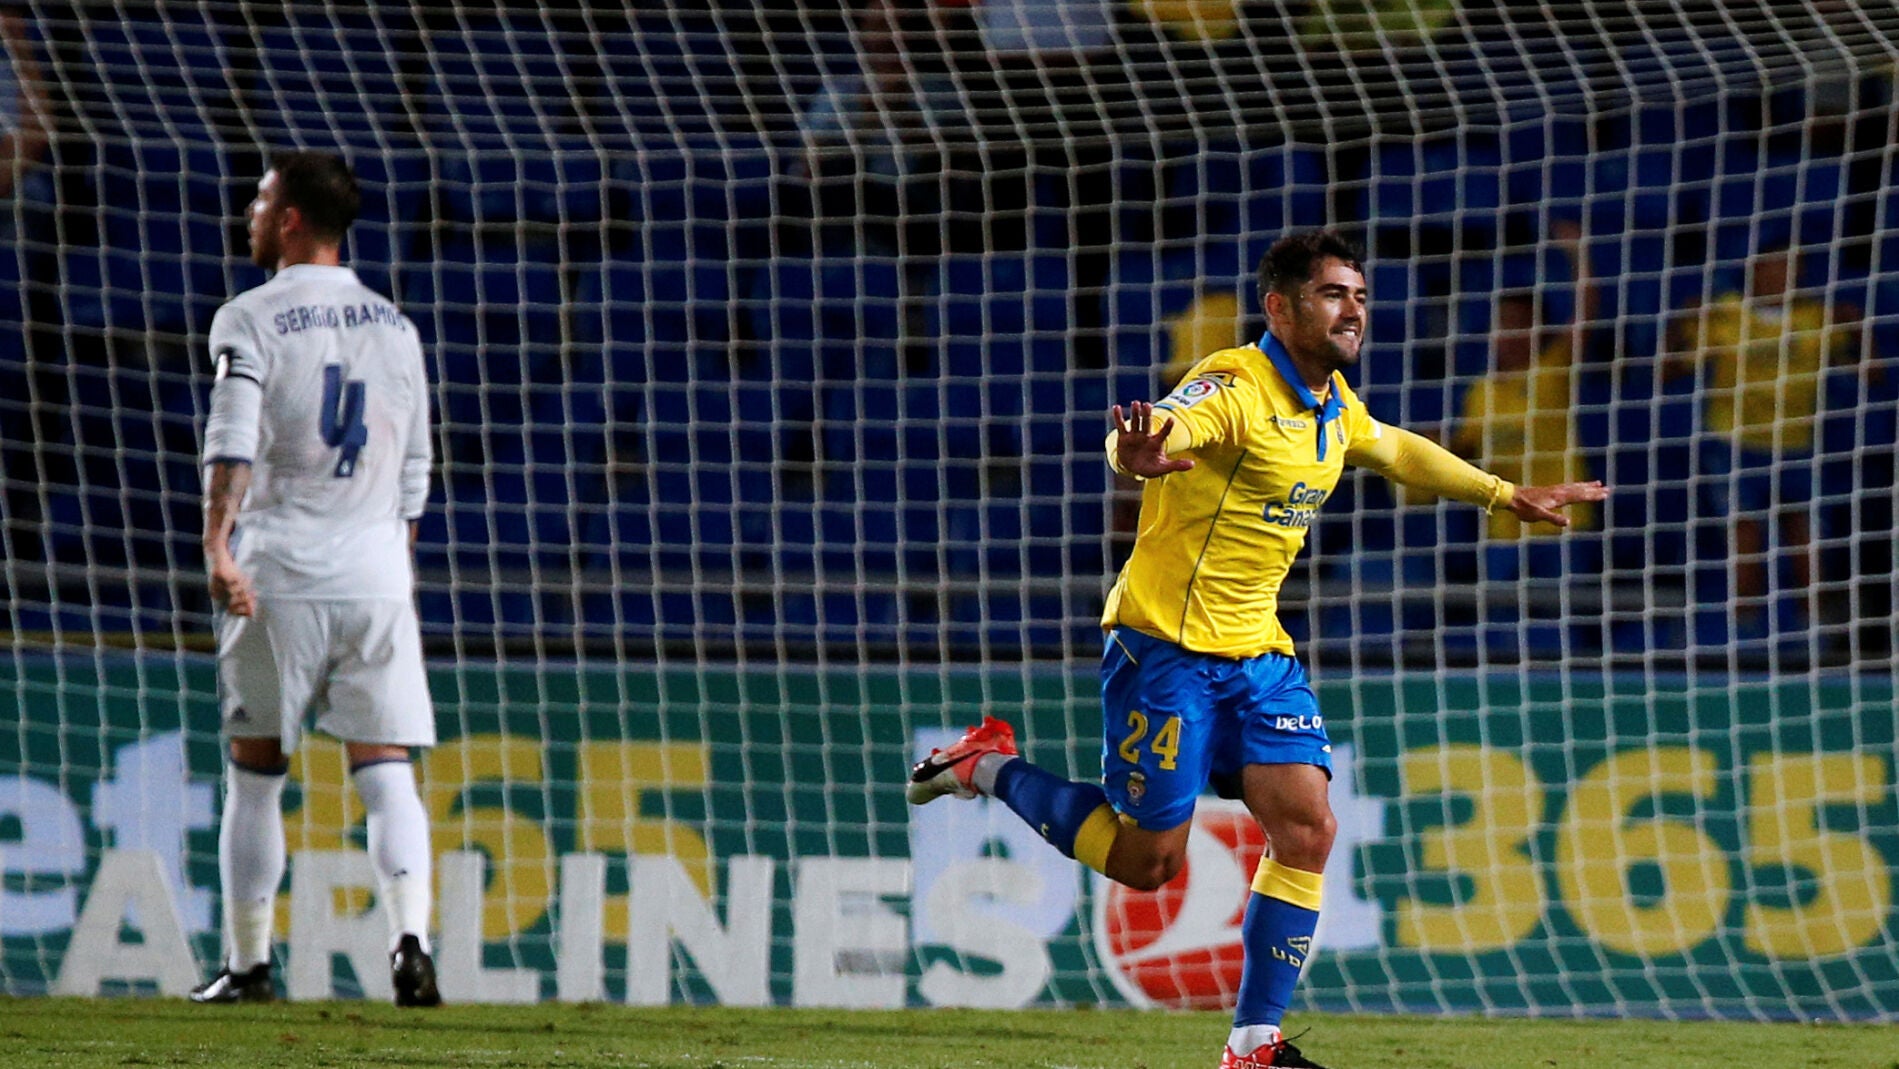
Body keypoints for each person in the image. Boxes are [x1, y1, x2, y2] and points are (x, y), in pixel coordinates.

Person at [910, 229, 1605, 1068]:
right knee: (1147, 861)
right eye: (1331, 294)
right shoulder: (1237, 385)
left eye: (1358, 295)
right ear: (1280, 307)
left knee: (1307, 827)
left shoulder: (1331, 403)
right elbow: (1169, 419)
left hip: (1257, 655)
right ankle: (986, 764)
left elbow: (1391, 447)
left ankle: (1251, 1044)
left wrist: (1503, 492)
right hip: (1163, 648)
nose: (1352, 310)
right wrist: (1132, 453)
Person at [191, 151, 440, 1007]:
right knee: (386, 767)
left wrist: (218, 546)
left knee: (256, 770)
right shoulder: (399, 329)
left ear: (291, 217)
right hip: (375, 575)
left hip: (279, 571)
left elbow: (232, 437)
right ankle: (411, 938)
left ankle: (251, 964)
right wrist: (390, 571)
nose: (252, 213)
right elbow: (414, 473)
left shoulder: (248, 318)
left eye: (261, 199)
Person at [1665, 238, 1861, 630]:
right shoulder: (1725, 313)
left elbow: (1870, 372)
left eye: (1789, 266)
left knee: (1804, 535)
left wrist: (1858, 329)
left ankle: (1816, 630)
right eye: (1771, 265)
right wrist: (1680, 328)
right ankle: (1746, 631)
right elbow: (1671, 371)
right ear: (1754, 270)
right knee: (1745, 533)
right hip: (1735, 443)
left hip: (1797, 443)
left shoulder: (1818, 317)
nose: (1779, 274)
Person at [1446, 220, 1599, 575]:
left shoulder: (1552, 371)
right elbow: (1467, 450)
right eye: (1505, 324)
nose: (1511, 334)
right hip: (1504, 534)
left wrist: (1579, 255)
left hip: (1562, 527)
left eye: (1521, 324)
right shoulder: (1480, 392)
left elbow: (1586, 315)